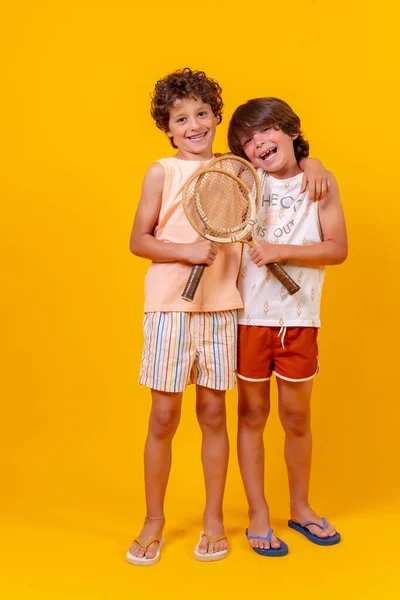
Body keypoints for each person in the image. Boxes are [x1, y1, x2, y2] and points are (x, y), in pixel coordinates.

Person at [128, 70, 330, 566]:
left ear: (217, 117)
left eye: (202, 114)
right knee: (163, 415)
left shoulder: (238, 169)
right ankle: (154, 519)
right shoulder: (160, 171)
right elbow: (139, 241)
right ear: (167, 128)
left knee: (215, 415)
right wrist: (184, 252)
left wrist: (315, 159)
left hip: (224, 311)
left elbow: (286, 168)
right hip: (170, 308)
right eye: (181, 119)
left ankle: (214, 517)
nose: (194, 124)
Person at [227, 97, 348, 556]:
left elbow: (337, 249)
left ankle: (300, 508)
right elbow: (216, 174)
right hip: (249, 320)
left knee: (297, 418)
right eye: (247, 140)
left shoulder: (320, 183)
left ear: (291, 129)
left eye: (265, 132)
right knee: (252, 417)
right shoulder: (245, 182)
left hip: (300, 322)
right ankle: (258, 512)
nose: (257, 144)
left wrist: (280, 251)